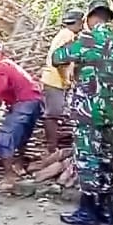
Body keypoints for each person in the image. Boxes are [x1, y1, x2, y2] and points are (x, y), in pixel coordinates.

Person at [54, 0, 113, 225]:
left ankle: (87, 210)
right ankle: (106, 210)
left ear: (89, 18)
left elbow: (57, 57)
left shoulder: (86, 39)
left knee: (87, 160)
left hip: (86, 112)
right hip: (111, 114)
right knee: (105, 160)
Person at [0, 40, 43, 190]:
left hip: (25, 102)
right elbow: (10, 89)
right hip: (34, 101)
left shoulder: (1, 66)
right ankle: (19, 167)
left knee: (3, 138)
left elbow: (1, 87)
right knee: (21, 136)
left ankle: (9, 178)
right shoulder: (9, 65)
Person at [40, 10, 84, 152]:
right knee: (53, 113)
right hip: (54, 80)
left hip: (54, 79)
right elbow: (60, 61)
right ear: (77, 23)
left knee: (55, 112)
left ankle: (52, 145)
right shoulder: (68, 36)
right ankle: (51, 147)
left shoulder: (65, 34)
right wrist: (66, 80)